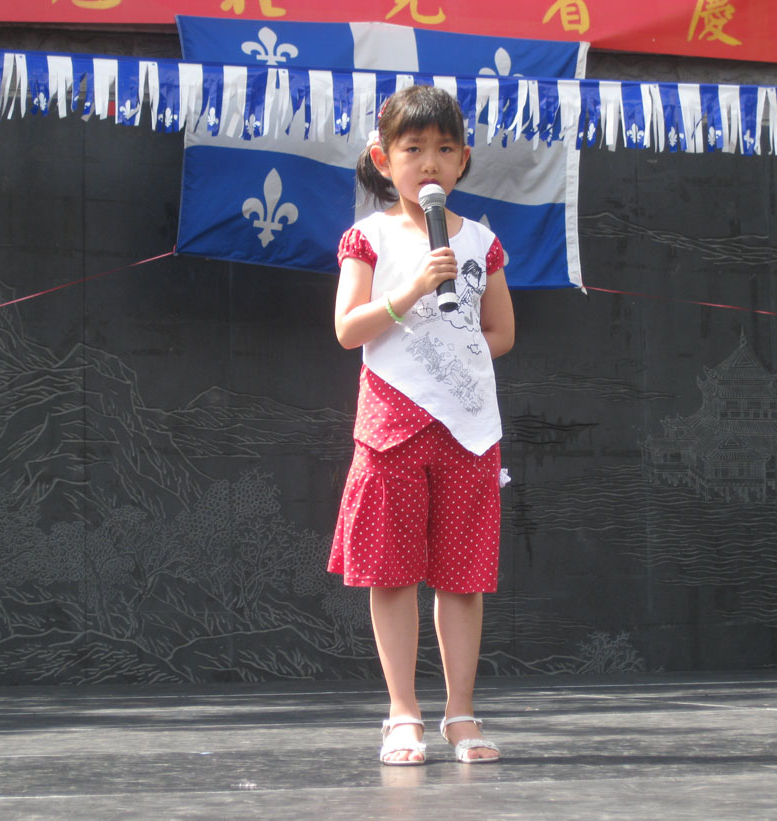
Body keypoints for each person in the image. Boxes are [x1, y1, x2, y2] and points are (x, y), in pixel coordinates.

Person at [328, 84, 515, 766]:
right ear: (384, 159)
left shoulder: (482, 243)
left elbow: (501, 332)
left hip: (467, 425)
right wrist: (410, 291)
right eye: (413, 149)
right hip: (392, 422)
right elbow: (348, 328)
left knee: (462, 577)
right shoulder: (369, 237)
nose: (429, 163)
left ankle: (460, 713)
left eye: (444, 149)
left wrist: (458, 355)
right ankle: (402, 714)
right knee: (393, 572)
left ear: (463, 159)